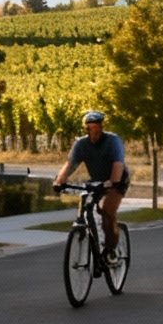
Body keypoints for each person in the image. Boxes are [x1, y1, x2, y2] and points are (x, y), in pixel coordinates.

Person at [54, 111, 129, 261]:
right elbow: (70, 165)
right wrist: (59, 181)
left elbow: (117, 166)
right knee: (86, 203)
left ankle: (111, 250)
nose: (93, 132)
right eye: (90, 128)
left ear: (102, 128)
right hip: (96, 181)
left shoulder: (113, 141)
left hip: (117, 180)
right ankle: (85, 230)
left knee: (107, 211)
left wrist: (111, 182)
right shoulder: (81, 144)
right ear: (86, 129)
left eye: (97, 128)